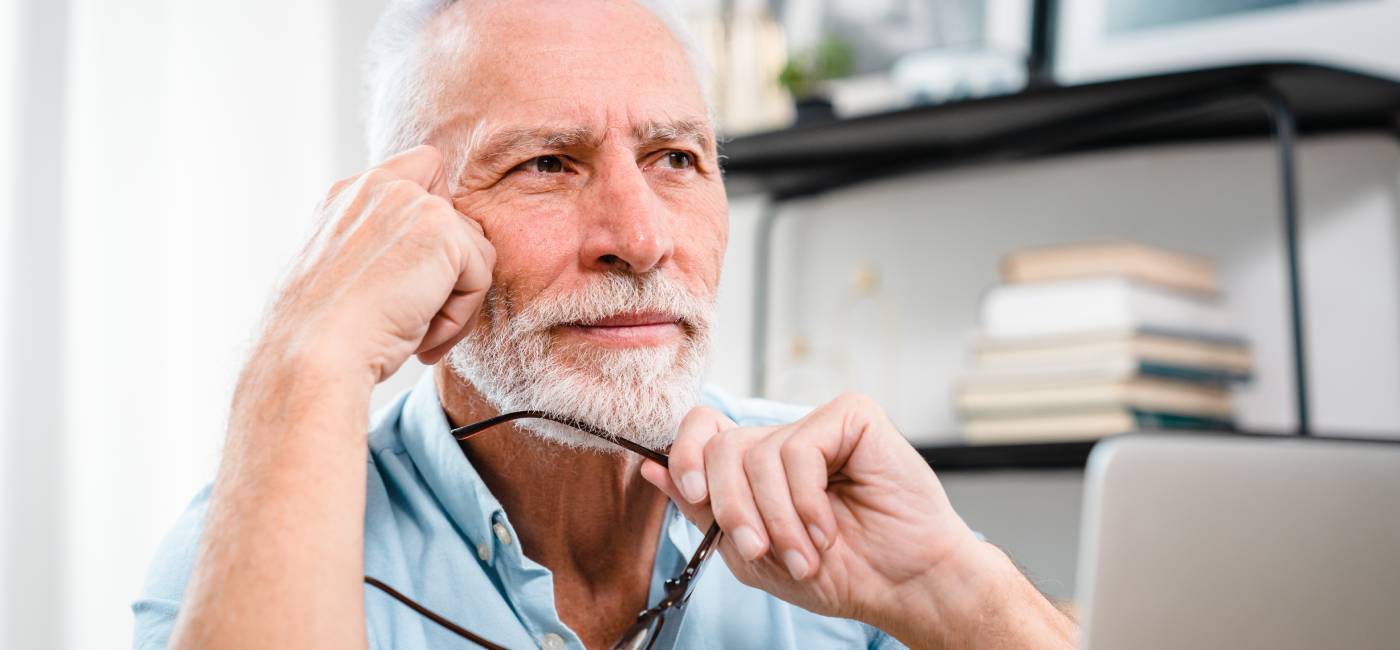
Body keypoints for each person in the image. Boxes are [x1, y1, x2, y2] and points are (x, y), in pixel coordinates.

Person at [133, 1, 1078, 648]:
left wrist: (949, 597)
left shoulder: (833, 516)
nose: (641, 237)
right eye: (546, 163)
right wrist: (302, 360)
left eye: (675, 157)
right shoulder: (251, 548)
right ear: (404, 225)